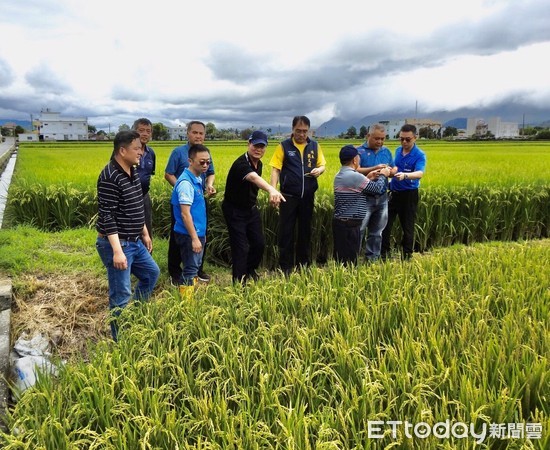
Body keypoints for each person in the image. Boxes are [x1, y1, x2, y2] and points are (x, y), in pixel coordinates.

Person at [96, 130, 160, 340]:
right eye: (136, 148)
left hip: (134, 240)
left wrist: (144, 232)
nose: (141, 152)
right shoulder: (109, 176)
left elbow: (134, 206)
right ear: (122, 150)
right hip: (118, 244)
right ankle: (121, 341)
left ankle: (132, 317)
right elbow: (107, 216)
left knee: (151, 274)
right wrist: (117, 251)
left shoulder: (132, 172)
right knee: (121, 295)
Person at [222, 131, 285, 284]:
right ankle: (239, 282)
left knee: (259, 243)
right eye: (255, 145)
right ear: (248, 144)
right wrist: (272, 189)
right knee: (241, 247)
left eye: (262, 146)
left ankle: (250, 270)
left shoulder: (259, 163)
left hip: (250, 208)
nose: (258, 149)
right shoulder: (241, 164)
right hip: (234, 210)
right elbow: (253, 178)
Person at [269, 116, 326, 274]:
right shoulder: (284, 146)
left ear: (309, 130)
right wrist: (273, 190)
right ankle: (285, 267)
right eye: (298, 131)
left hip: (308, 196)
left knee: (305, 232)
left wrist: (319, 171)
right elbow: (275, 168)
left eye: (304, 131)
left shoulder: (314, 146)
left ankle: (303, 265)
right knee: (286, 232)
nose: (301, 134)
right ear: (292, 130)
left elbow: (322, 165)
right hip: (288, 196)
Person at [165, 121, 215, 284]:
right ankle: (175, 272)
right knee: (180, 236)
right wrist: (184, 191)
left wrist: (208, 185)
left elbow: (211, 173)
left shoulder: (205, 153)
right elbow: (168, 174)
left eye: (201, 133)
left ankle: (196, 269)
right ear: (188, 133)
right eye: (195, 133)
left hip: (198, 199)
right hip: (184, 202)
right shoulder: (178, 152)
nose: (198, 136)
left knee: (200, 233)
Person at [333, 145, 390, 264]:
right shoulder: (354, 176)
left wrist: (368, 177)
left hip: (342, 223)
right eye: (358, 157)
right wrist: (384, 174)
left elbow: (358, 187)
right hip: (350, 225)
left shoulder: (341, 174)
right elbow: (378, 189)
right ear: (355, 159)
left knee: (342, 256)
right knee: (349, 259)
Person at [170, 144, 211, 298]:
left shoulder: (197, 178)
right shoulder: (186, 184)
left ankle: (190, 294)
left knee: (194, 266)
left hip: (196, 231)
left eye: (208, 162)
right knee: (190, 268)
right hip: (188, 234)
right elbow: (185, 214)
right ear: (190, 161)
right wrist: (195, 238)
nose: (206, 165)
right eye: (202, 162)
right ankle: (186, 303)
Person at [381, 124, 427, 260]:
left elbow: (419, 173)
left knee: (407, 226)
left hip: (409, 194)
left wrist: (405, 175)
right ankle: (384, 253)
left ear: (415, 138)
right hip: (394, 193)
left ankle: (407, 255)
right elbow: (394, 167)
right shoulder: (397, 151)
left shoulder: (419, 155)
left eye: (408, 139)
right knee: (385, 224)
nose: (404, 142)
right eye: (401, 139)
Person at [356, 123, 397, 262]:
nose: (379, 142)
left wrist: (392, 171)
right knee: (359, 230)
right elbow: (355, 170)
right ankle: (353, 260)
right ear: (368, 136)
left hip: (382, 197)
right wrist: (376, 168)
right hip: (364, 197)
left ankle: (372, 259)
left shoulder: (386, 152)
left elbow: (390, 170)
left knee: (377, 232)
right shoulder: (359, 152)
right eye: (376, 138)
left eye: (382, 139)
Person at [132, 118, 156, 239]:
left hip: (144, 196)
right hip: (127, 198)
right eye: (141, 130)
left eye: (148, 131)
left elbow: (149, 175)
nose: (145, 134)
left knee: (147, 229)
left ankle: (147, 256)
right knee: (129, 231)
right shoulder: (125, 151)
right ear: (134, 132)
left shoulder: (151, 153)